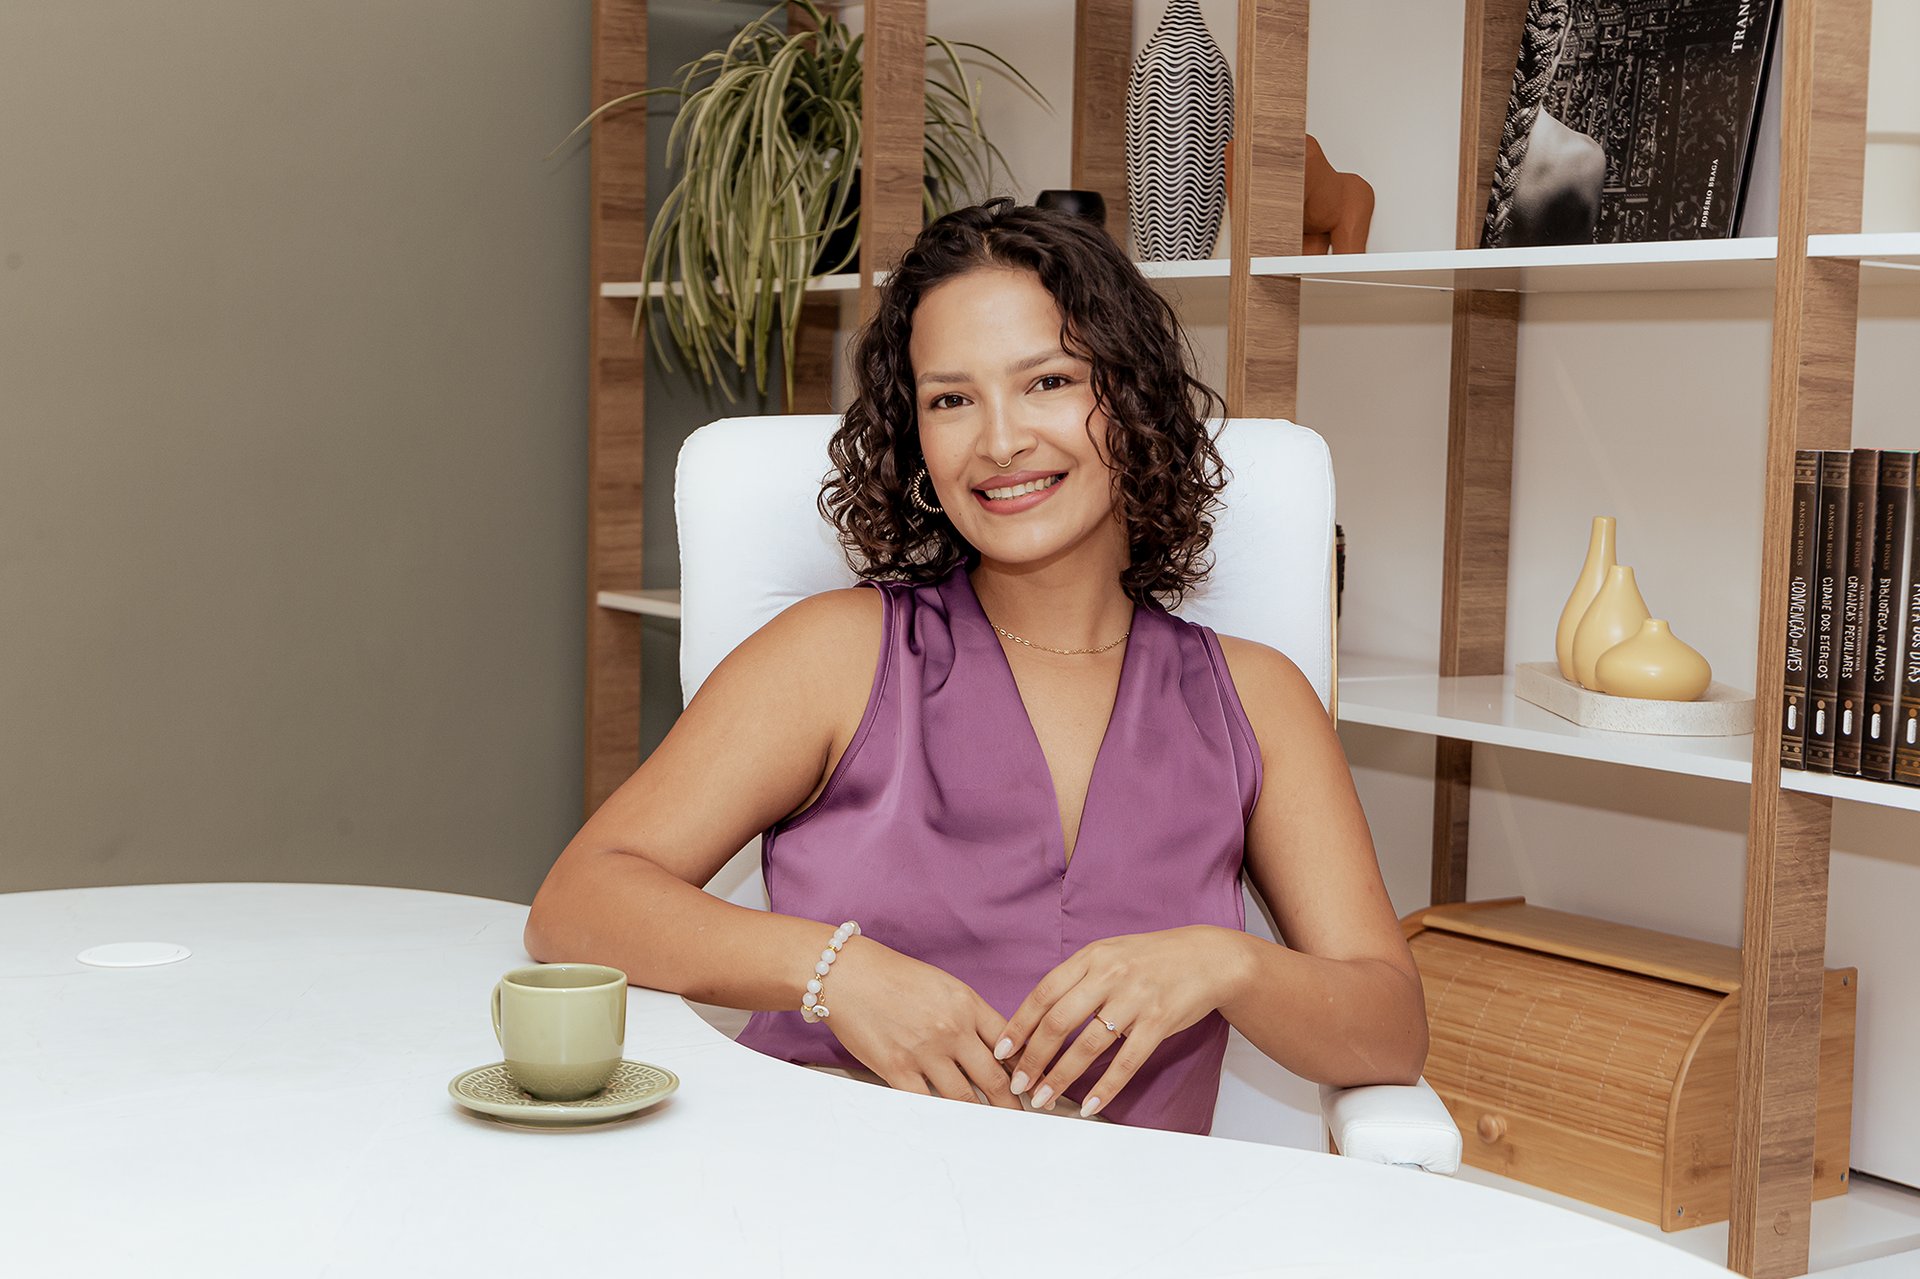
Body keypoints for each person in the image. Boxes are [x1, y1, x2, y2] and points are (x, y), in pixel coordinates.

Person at [524, 197, 1426, 1136]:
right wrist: (838, 970)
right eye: (951, 399)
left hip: (1125, 1231)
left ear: (1132, 395)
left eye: (1048, 382)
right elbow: (578, 904)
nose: (1000, 441)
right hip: (823, 1200)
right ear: (917, 437)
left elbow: (1389, 1029)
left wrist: (1226, 963)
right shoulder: (837, 654)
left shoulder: (1255, 697)